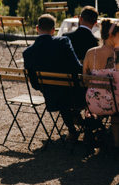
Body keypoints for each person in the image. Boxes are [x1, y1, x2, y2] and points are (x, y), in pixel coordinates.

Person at [23, 13, 84, 141]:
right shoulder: (63, 42)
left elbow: (34, 83)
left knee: (60, 92)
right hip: (73, 94)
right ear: (53, 30)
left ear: (37, 28)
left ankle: (73, 129)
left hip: (50, 95)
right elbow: (77, 67)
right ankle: (86, 125)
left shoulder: (28, 52)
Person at [82, 19, 119, 146]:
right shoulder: (117, 54)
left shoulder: (90, 52)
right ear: (111, 35)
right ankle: (116, 142)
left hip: (93, 103)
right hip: (115, 105)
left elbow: (85, 79)